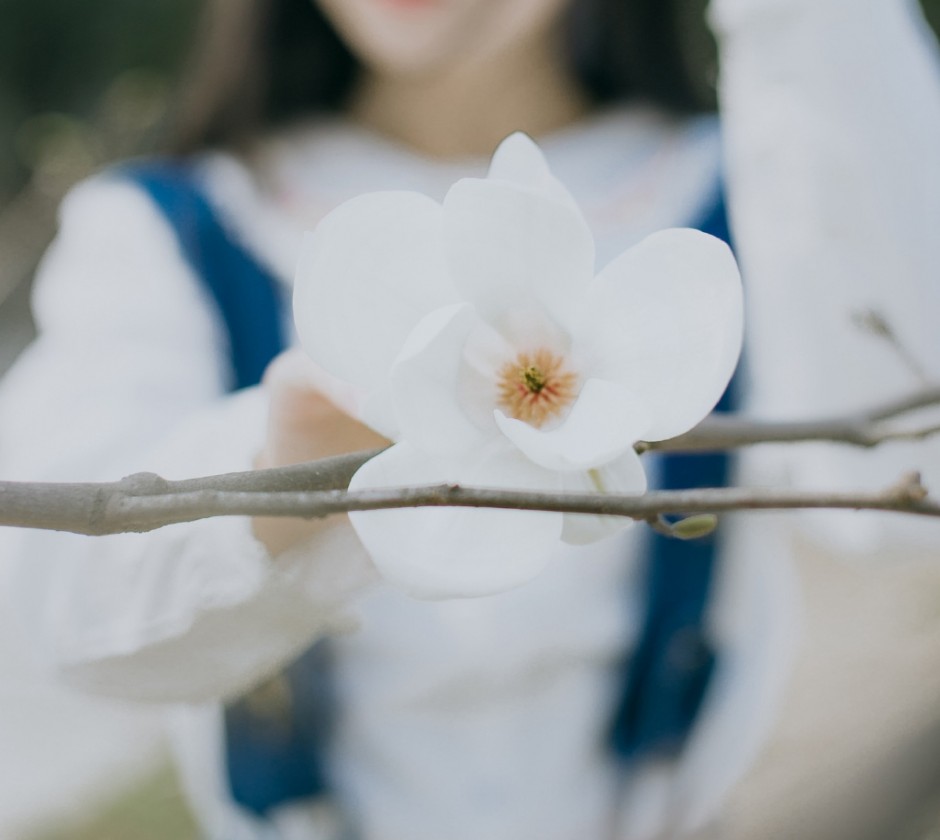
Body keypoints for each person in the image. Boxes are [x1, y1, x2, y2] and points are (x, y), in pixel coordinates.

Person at [0, 0, 938, 838]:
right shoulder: (175, 226)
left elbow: (901, 463)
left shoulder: (752, 185)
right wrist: (276, 474)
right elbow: (52, 609)